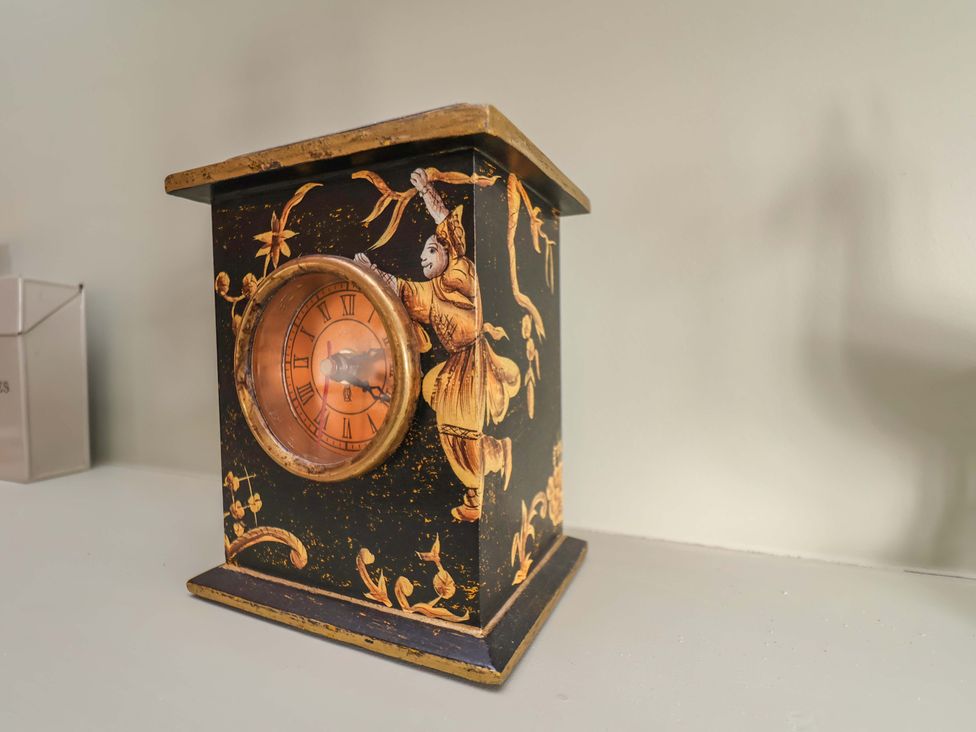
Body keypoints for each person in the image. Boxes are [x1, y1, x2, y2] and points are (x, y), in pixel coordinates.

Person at [355, 169, 519, 521]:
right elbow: (405, 290)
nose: (424, 258)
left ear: (446, 250)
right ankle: (491, 465)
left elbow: (447, 226)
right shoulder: (431, 292)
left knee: (464, 423)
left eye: (431, 251)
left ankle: (480, 490)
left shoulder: (459, 270)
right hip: (458, 365)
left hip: (474, 360)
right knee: (450, 427)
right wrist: (373, 274)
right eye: (422, 255)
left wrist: (427, 190)